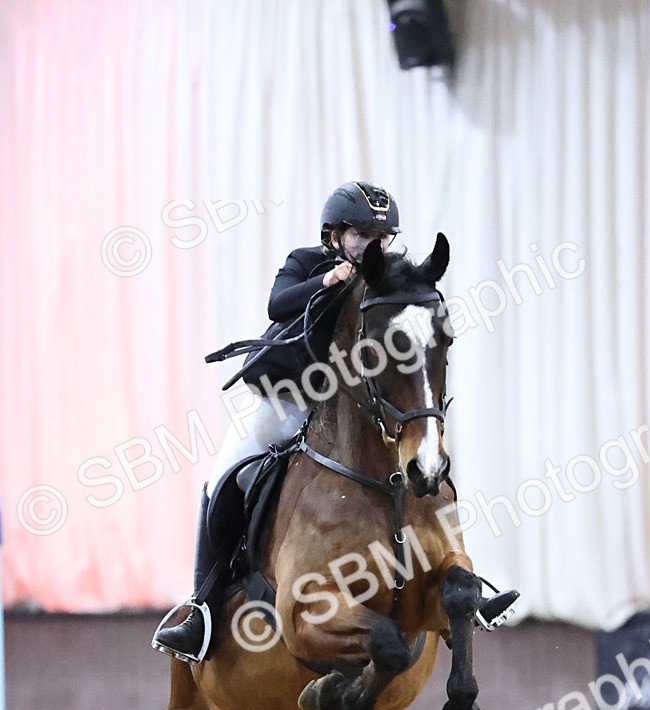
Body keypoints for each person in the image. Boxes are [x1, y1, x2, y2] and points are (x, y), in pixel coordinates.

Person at [152, 181, 517, 663]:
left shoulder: (386, 280)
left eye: (380, 238)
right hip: (288, 394)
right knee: (226, 475)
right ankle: (203, 606)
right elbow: (278, 304)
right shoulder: (305, 263)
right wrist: (326, 282)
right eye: (361, 235)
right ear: (334, 235)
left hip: (350, 406)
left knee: (425, 457)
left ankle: (461, 585)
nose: (373, 246)